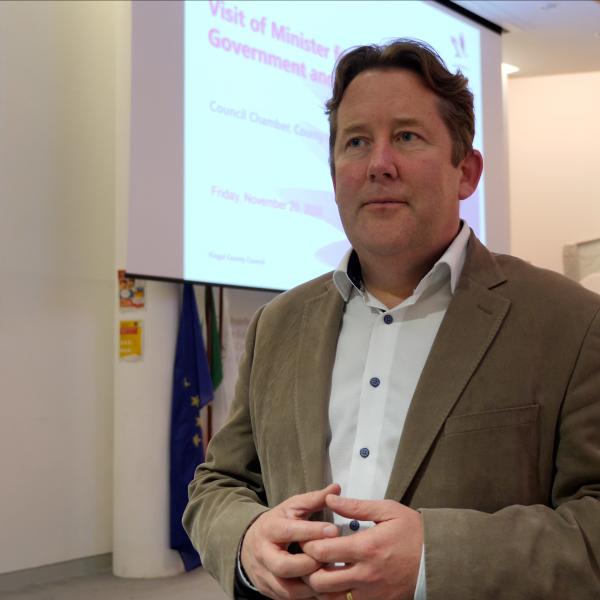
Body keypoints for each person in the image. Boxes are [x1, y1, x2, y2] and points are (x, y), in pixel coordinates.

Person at [183, 39, 600, 599]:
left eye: (406, 136)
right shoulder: (277, 325)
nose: (379, 164)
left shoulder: (568, 322)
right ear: (334, 176)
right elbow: (219, 483)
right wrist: (246, 537)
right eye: (357, 142)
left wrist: (436, 559)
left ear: (467, 172)